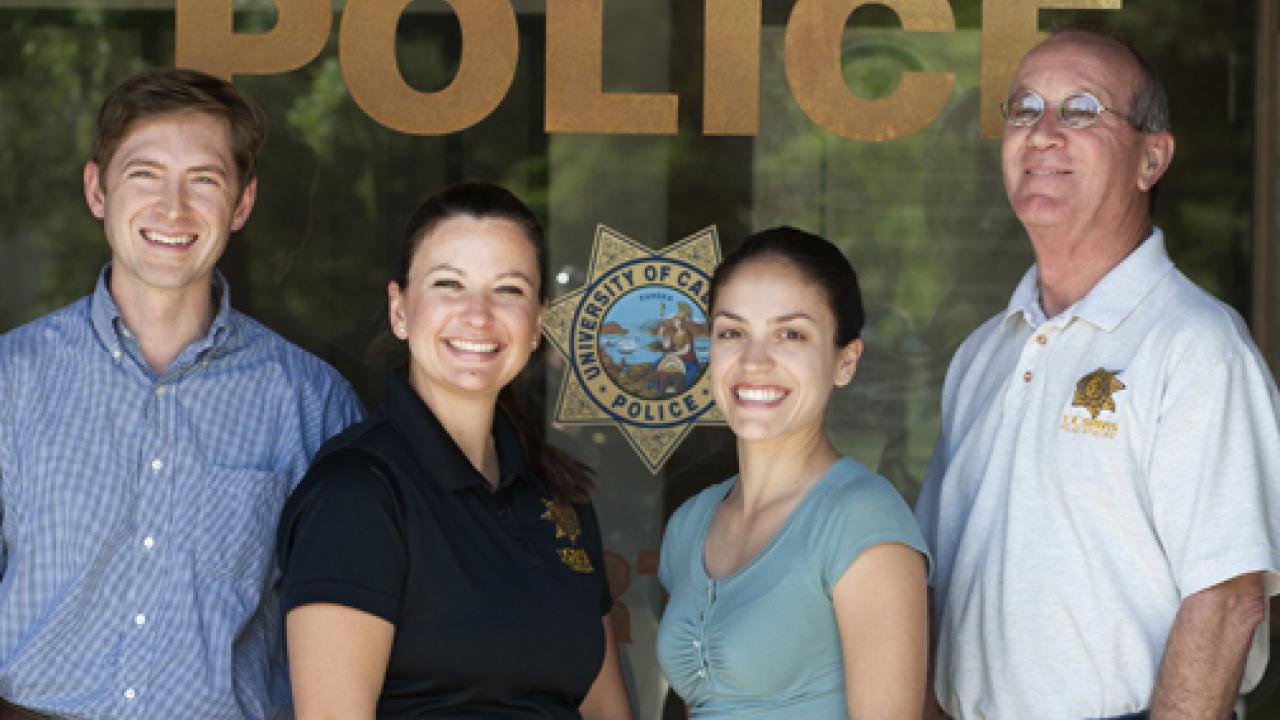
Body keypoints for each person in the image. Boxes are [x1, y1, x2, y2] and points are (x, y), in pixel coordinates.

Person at [916, 28, 1280, 719]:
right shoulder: (981, 355)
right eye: (1023, 109)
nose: (1044, 133)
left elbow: (1229, 601)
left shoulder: (1197, 346)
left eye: (1082, 109)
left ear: (1152, 157)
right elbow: (935, 587)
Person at [0, 68, 363, 718]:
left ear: (242, 205)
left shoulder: (310, 402)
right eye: (145, 174)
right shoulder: (11, 379)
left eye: (204, 180)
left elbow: (351, 625)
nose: (174, 209)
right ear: (97, 190)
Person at [275, 181, 633, 719]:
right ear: (400, 310)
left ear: (539, 322)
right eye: (449, 284)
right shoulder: (357, 493)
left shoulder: (559, 494)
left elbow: (607, 712)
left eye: (509, 290)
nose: (478, 314)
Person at [656, 227, 931, 718]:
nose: (754, 361)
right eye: (732, 332)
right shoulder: (691, 523)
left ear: (845, 361)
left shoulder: (861, 520)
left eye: (791, 334)